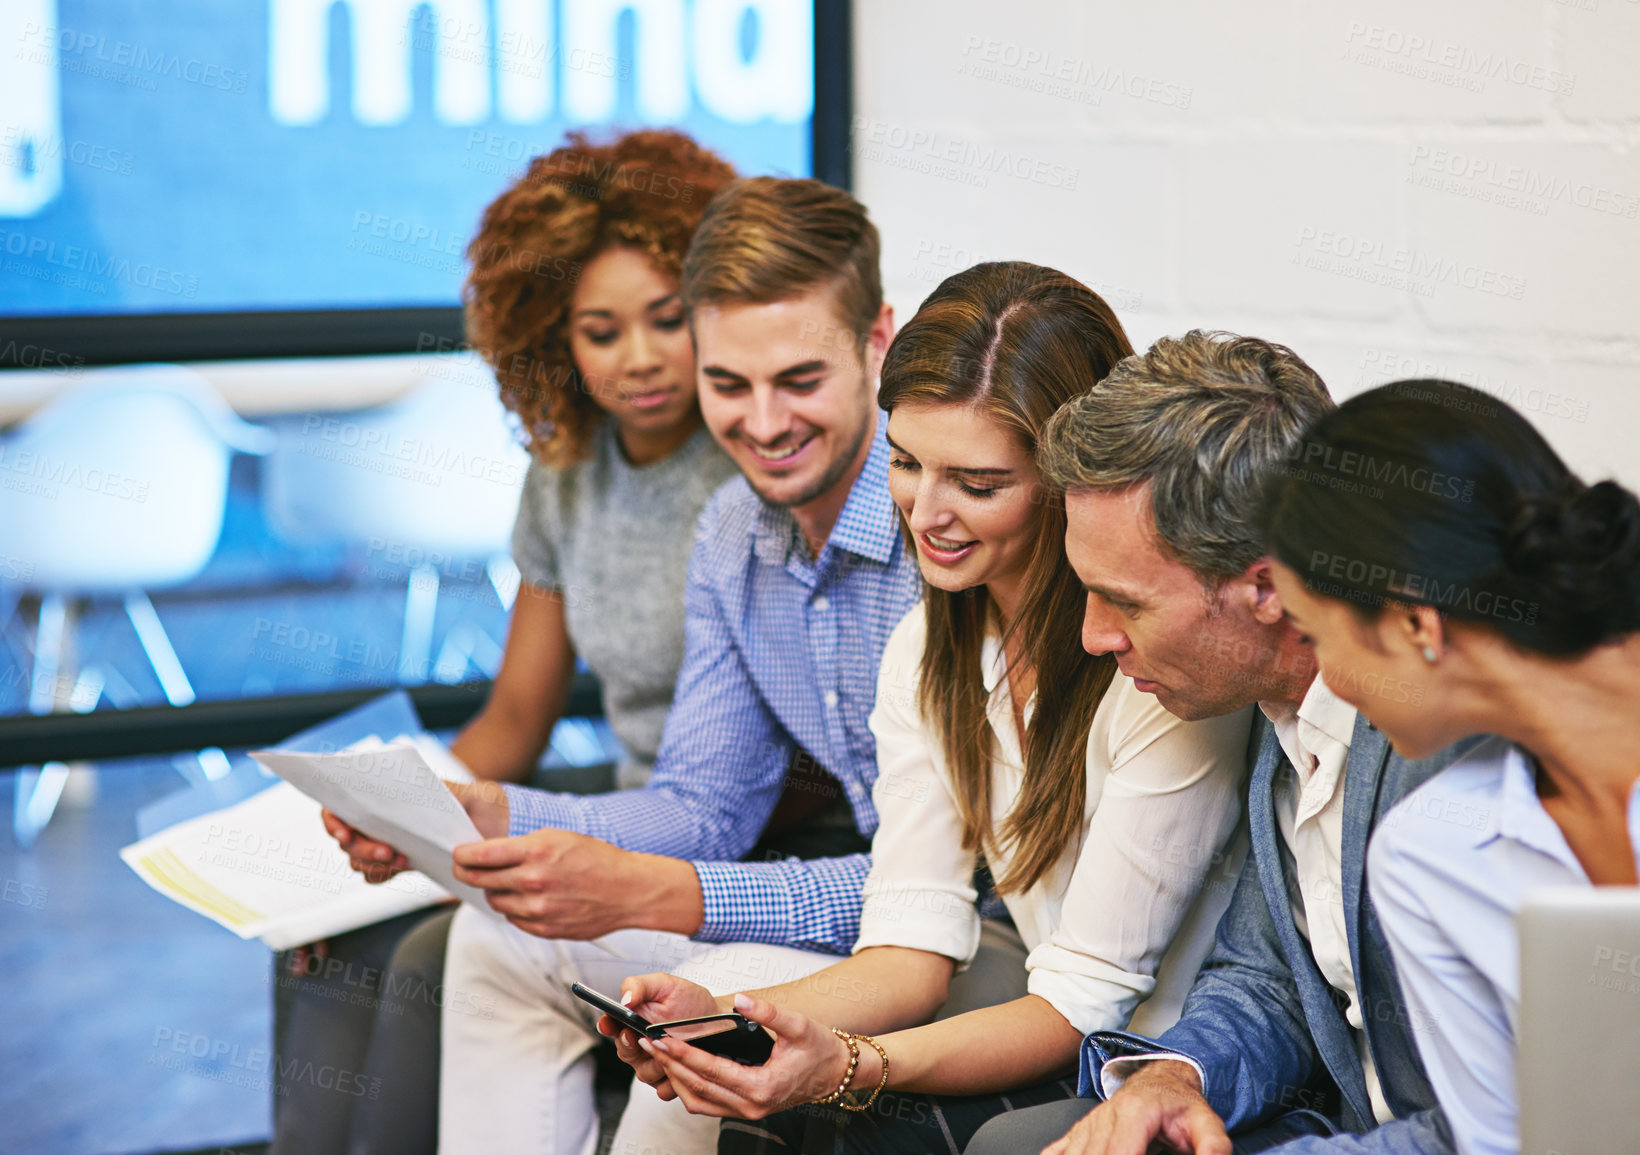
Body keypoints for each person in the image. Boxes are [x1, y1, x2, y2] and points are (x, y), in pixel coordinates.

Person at [328, 177, 1032, 1155]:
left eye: (799, 381)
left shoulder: (947, 536)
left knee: (692, 1017)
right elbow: (703, 805)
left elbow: (940, 888)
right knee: (493, 943)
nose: (763, 423)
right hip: (869, 909)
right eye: (728, 385)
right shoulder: (734, 533)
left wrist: (661, 892)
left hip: (977, 934)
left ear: (878, 341)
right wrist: (500, 814)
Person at [603, 263, 1252, 1154]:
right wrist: (718, 1019)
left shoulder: (1156, 667)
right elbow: (909, 945)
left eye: (977, 484)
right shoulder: (928, 649)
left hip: (1167, 1060)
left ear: (1072, 480)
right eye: (905, 462)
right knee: (717, 1049)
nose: (927, 512)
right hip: (1048, 1017)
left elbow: (1080, 1002)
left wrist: (845, 1062)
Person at [275, 127, 739, 1155]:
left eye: (669, 319)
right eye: (601, 331)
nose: (644, 358)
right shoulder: (566, 473)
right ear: (553, 340)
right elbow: (514, 721)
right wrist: (387, 809)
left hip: (694, 854)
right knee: (324, 931)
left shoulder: (758, 467)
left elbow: (741, 798)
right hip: (606, 821)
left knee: (427, 960)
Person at [965, 332, 1474, 1155]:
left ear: (1266, 586)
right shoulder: (1279, 714)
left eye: (1123, 602)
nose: (1093, 636)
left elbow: (1514, 1118)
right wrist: (1173, 1075)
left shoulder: (1446, 745)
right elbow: (1266, 979)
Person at [1256, 379, 1640, 1155]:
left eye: (1317, 636)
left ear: (1414, 622)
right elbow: (1495, 1144)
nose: (1327, 681)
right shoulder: (1428, 858)